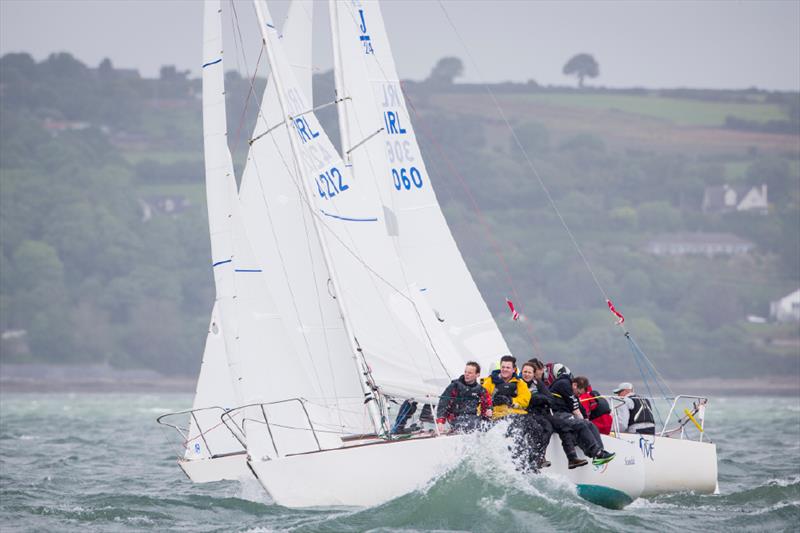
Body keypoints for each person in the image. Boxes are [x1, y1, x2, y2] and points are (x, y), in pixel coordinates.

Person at [549, 364, 616, 466]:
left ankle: (600, 453)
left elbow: (579, 408)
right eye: (579, 393)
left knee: (590, 425)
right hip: (556, 415)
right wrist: (583, 421)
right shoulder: (564, 384)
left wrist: (586, 420)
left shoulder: (572, 388)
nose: (579, 396)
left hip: (565, 415)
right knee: (581, 424)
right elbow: (575, 410)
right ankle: (596, 453)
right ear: (575, 385)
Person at [435, 361, 493, 433]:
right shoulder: (455, 386)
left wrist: (488, 412)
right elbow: (443, 402)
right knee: (469, 424)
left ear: (477, 375)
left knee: (486, 426)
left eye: (470, 373)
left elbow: (487, 405)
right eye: (465, 372)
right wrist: (441, 421)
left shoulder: (481, 390)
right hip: (455, 418)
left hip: (473, 418)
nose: (466, 374)